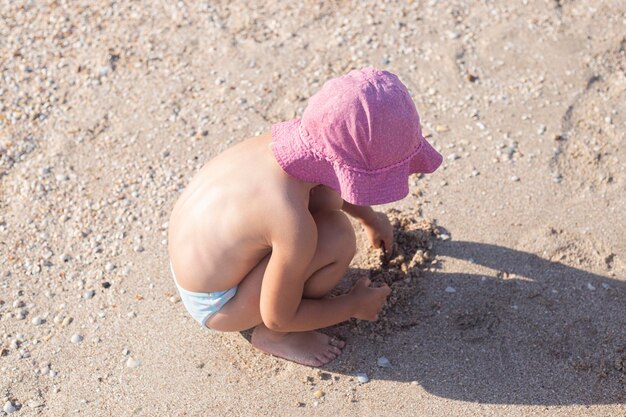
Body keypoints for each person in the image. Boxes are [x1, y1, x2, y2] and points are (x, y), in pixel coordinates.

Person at [167, 67, 442, 367]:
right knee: (336, 235)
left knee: (324, 198)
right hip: (217, 303)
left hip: (195, 254)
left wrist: (370, 219)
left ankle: (272, 287)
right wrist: (351, 305)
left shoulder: (283, 143)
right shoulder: (289, 221)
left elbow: (331, 176)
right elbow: (277, 315)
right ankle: (275, 338)